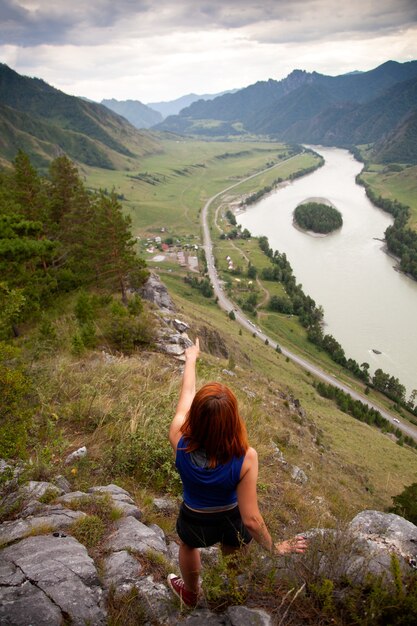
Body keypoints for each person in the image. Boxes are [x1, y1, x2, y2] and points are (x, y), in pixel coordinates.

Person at [167, 338, 307, 607]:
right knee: (234, 548)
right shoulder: (245, 457)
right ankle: (230, 596)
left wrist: (191, 359)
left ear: (195, 415)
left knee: (188, 546)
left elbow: (187, 394)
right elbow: (252, 519)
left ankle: (191, 594)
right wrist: (275, 548)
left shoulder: (178, 438)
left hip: (194, 517)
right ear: (233, 419)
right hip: (231, 521)